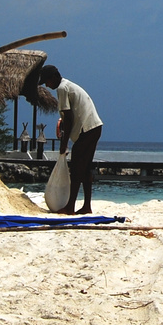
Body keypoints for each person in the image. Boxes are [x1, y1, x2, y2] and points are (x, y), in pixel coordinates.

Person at [39, 66, 102, 214]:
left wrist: (64, 143)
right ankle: (86, 206)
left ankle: (70, 206)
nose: (47, 85)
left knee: (76, 168)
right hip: (95, 127)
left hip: (87, 129)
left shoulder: (62, 89)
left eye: (47, 82)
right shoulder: (67, 85)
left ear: (54, 77)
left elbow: (69, 118)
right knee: (85, 168)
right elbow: (68, 116)